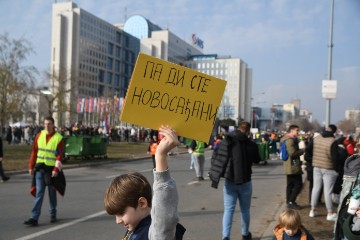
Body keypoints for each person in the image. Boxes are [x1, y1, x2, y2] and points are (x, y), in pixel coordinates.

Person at [104, 125, 186, 240]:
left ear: (142, 203)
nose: (118, 221)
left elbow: (164, 221)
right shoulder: (135, 228)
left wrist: (160, 157)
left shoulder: (152, 233)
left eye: (121, 213)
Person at [209, 121, 261, 240]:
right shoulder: (251, 145)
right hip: (246, 181)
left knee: (228, 210)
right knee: (245, 210)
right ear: (248, 131)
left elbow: (217, 156)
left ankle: (225, 236)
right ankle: (245, 234)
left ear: (238, 128)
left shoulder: (227, 141)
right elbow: (257, 159)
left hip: (230, 181)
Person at [24, 116, 65, 226]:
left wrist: (56, 169)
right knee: (39, 193)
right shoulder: (39, 135)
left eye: (49, 124)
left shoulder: (58, 138)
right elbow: (34, 152)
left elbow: (59, 156)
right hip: (40, 169)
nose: (47, 126)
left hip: (51, 171)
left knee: (52, 193)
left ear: (53, 125)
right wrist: (30, 166)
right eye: (45, 124)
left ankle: (53, 214)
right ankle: (34, 218)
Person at [308, 124, 339, 222]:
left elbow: (308, 150)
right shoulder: (333, 141)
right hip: (328, 168)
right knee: (328, 191)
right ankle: (329, 213)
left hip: (316, 166)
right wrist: (337, 169)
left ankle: (312, 210)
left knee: (316, 188)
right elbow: (335, 158)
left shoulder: (316, 138)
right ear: (333, 132)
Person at [280, 124, 305, 210]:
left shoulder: (288, 139)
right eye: (297, 130)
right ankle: (291, 201)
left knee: (290, 184)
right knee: (298, 184)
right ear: (292, 131)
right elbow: (292, 153)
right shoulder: (290, 140)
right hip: (292, 165)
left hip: (290, 165)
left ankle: (289, 201)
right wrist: (302, 151)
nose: (298, 132)